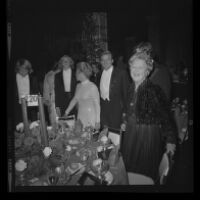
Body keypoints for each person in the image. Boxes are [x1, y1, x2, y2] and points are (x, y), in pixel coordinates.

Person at [120, 51, 176, 182]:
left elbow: (167, 119)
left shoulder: (154, 91)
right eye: (133, 66)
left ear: (147, 71)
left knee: (142, 172)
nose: (136, 70)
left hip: (146, 139)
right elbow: (128, 110)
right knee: (127, 171)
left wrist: (170, 143)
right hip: (131, 136)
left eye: (140, 67)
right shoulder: (130, 88)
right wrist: (125, 120)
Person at [98, 51, 130, 129]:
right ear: (100, 62)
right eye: (103, 60)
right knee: (105, 134)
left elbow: (127, 94)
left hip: (117, 108)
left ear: (112, 60)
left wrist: (125, 114)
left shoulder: (121, 73)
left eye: (108, 59)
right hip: (103, 108)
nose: (105, 62)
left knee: (115, 134)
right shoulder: (99, 74)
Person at [64, 62, 100, 129]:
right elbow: (74, 100)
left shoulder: (92, 86)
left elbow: (97, 105)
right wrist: (66, 112)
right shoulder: (78, 86)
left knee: (89, 138)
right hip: (80, 117)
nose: (75, 74)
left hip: (90, 117)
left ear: (82, 73)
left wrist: (98, 121)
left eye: (77, 72)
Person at [14, 59, 39, 125]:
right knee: (20, 127)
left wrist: (34, 118)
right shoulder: (14, 77)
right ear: (18, 69)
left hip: (31, 106)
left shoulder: (33, 78)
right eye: (20, 69)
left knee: (33, 126)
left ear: (28, 69)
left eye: (24, 69)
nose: (22, 71)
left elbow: (36, 93)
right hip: (18, 106)